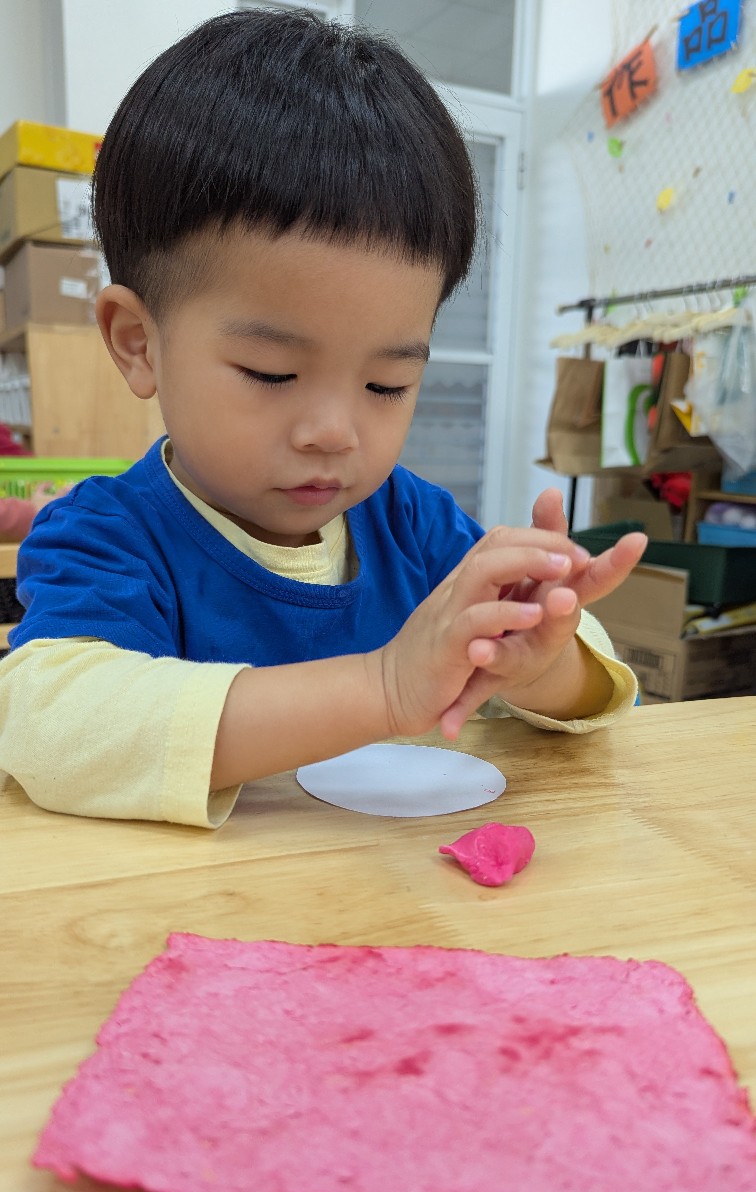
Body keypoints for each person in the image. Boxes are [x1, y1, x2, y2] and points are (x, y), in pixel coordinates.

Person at [0, 10, 646, 827]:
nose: (335, 431)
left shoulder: (416, 527)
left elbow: (594, 690)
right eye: (272, 373)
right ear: (138, 343)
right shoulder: (108, 538)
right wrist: (382, 686)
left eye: (387, 383)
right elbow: (51, 725)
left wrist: (534, 660)